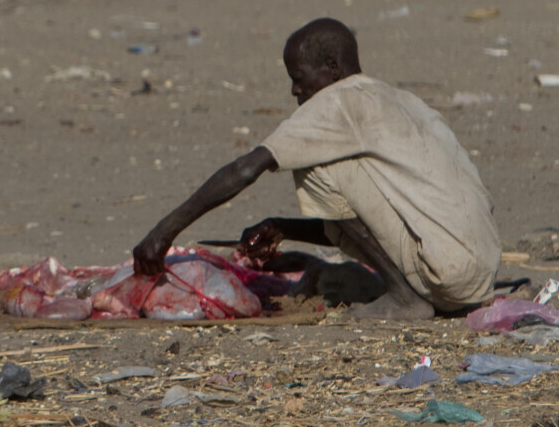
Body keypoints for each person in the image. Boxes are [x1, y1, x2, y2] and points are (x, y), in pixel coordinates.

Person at [132, 18, 500, 320]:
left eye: (299, 76)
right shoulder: (403, 101)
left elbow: (247, 169)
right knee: (329, 169)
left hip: (443, 275)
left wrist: (162, 233)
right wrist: (283, 227)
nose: (295, 90)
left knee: (311, 164)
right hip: (478, 273)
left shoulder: (336, 103)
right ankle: (409, 292)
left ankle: (404, 298)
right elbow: (369, 224)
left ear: (332, 69)